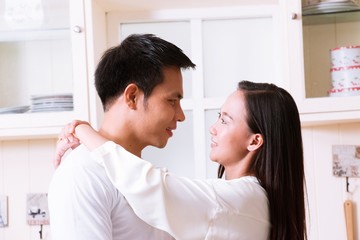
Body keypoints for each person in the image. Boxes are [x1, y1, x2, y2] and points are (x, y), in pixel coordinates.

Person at [56, 81, 307, 240]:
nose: (213, 128)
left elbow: (151, 187)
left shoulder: (242, 198)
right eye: (219, 117)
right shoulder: (244, 198)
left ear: (254, 141)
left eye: (225, 120)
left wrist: (81, 130)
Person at [48, 33, 196, 240]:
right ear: (132, 96)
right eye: (172, 101)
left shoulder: (141, 175)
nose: (180, 116)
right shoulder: (82, 174)